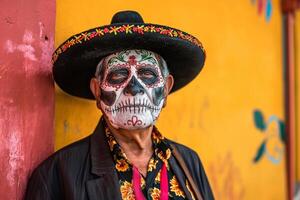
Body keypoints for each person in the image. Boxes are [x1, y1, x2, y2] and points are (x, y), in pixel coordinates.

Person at [25, 10, 214, 200]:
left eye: (147, 74)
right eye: (118, 75)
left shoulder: (190, 163)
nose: (134, 88)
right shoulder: (56, 176)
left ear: (165, 90)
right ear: (97, 90)